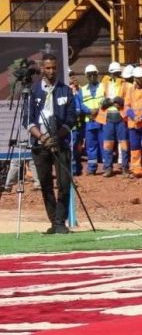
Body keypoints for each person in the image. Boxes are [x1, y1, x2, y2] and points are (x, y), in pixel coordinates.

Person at [24, 53, 77, 235]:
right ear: (42, 69)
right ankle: (54, 221)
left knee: (64, 184)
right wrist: (41, 137)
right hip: (40, 145)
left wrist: (57, 136)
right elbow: (27, 119)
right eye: (48, 68)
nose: (51, 71)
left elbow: (71, 118)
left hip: (61, 143)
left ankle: (61, 222)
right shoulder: (33, 91)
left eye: (54, 68)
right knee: (45, 184)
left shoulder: (65, 90)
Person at [97, 63, 129, 177]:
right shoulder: (104, 84)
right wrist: (105, 102)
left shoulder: (125, 85)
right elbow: (99, 98)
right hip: (108, 117)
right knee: (108, 144)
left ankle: (125, 168)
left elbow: (128, 99)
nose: (115, 75)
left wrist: (122, 101)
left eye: (117, 73)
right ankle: (108, 168)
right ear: (110, 73)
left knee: (124, 144)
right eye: (114, 73)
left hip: (121, 117)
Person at [79, 64, 104, 175]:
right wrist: (89, 111)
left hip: (102, 120)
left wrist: (97, 110)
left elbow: (106, 100)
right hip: (89, 121)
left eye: (94, 74)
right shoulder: (82, 90)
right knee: (90, 146)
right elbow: (80, 104)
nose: (92, 77)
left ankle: (107, 167)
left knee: (104, 145)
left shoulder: (103, 87)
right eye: (89, 75)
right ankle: (92, 168)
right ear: (86, 76)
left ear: (97, 75)